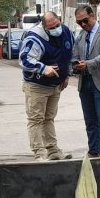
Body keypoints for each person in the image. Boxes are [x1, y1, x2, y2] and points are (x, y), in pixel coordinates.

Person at [19, 11, 75, 161]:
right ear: (44, 27)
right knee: (36, 119)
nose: (56, 29)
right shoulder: (35, 38)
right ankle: (40, 153)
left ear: (60, 20)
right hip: (37, 85)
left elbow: (69, 55)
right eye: (51, 28)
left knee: (49, 118)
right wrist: (44, 69)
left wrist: (66, 74)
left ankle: (53, 151)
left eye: (57, 25)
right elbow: (25, 60)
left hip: (56, 85)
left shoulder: (66, 32)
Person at [72, 5, 100, 158]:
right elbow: (75, 55)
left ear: (93, 15)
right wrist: (75, 65)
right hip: (85, 82)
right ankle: (93, 150)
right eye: (79, 23)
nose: (83, 25)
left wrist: (88, 64)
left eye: (85, 20)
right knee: (90, 120)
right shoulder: (81, 36)